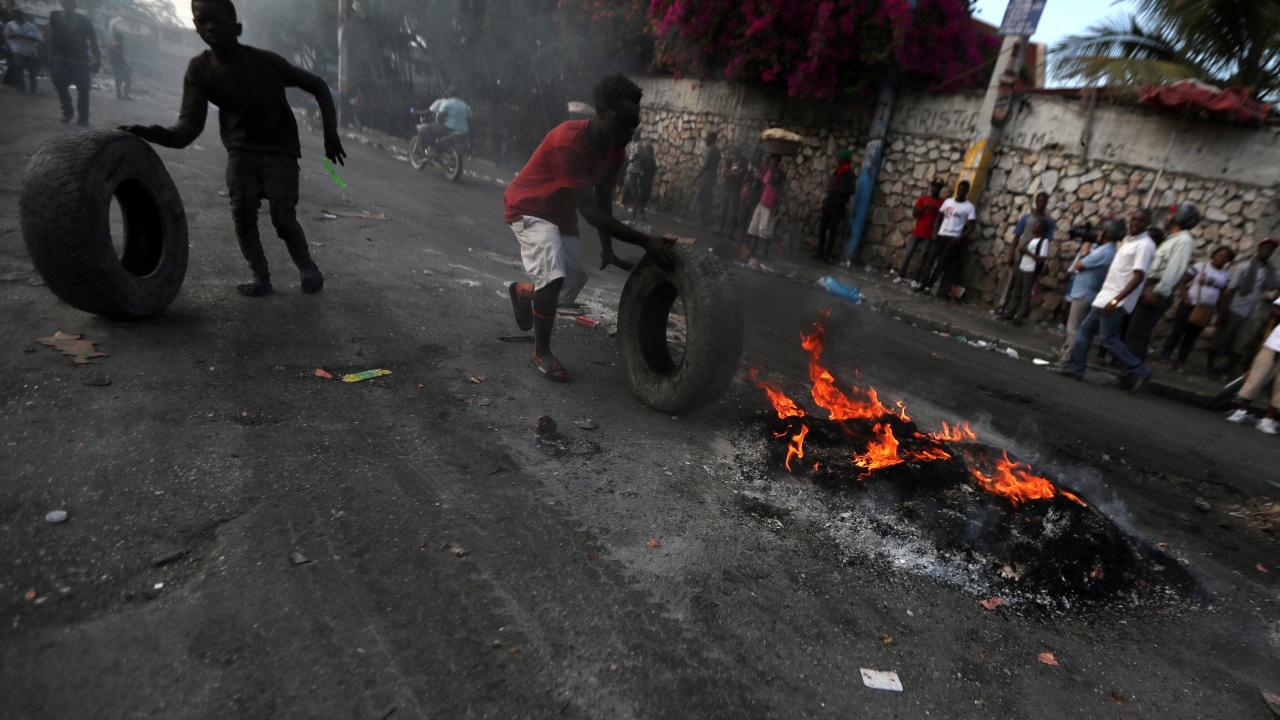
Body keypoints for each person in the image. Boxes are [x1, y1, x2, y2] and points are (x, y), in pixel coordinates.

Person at [120, 0, 344, 297]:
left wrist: (331, 137)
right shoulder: (199, 70)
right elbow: (189, 127)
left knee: (283, 217)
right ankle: (261, 277)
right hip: (240, 152)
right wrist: (157, 134)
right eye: (203, 20)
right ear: (196, 25)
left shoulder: (266, 62)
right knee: (242, 215)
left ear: (236, 28)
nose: (211, 27)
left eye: (219, 21)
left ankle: (307, 267)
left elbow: (318, 85)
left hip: (280, 151)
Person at [503, 74, 675, 383]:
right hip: (529, 207)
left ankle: (523, 292)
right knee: (553, 275)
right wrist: (647, 241)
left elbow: (604, 200)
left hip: (560, 214)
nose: (629, 132)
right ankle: (541, 353)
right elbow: (591, 211)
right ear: (600, 111)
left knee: (571, 282)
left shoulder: (615, 150)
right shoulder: (568, 142)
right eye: (623, 122)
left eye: (634, 125)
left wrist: (608, 249)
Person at [1060, 210, 1157, 391]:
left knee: (1108, 338)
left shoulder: (1144, 245)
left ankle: (1139, 370)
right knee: (1085, 331)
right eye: (1134, 219)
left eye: (1141, 220)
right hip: (1106, 296)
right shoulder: (1130, 241)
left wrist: (1115, 301)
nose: (1136, 223)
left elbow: (1138, 277)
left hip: (1115, 300)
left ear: (1147, 223)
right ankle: (1076, 368)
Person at [1126, 203, 1197, 361]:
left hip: (1156, 290)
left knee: (1135, 335)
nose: (1167, 217)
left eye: (1171, 214)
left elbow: (1175, 269)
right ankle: (1134, 374)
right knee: (1138, 335)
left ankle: (1132, 375)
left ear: (1180, 218)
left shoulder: (1184, 241)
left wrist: (1158, 294)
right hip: (1151, 287)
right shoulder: (1173, 239)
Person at [1208, 237, 1280, 379]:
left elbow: (1274, 286)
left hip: (1250, 313)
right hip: (1234, 309)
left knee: (1241, 344)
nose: (1268, 251)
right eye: (1265, 248)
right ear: (1259, 249)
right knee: (1220, 339)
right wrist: (1224, 312)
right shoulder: (1244, 267)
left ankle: (1228, 372)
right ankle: (1209, 367)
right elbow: (1231, 289)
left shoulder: (1271, 272)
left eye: (1271, 249)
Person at [1057, 219, 1122, 363]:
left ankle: (1066, 360)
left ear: (1106, 233)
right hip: (1088, 292)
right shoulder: (1110, 250)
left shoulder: (1103, 251)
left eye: (1101, 230)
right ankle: (1065, 352)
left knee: (1073, 329)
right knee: (1076, 328)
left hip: (1084, 294)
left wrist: (1086, 244)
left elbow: (1079, 265)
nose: (1098, 233)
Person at [1160, 246, 1234, 370]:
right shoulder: (1201, 267)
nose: (1222, 259)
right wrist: (1186, 298)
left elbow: (1222, 294)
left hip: (1205, 310)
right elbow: (1183, 282)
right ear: (1214, 255)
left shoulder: (1226, 275)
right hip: (1189, 305)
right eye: (1220, 255)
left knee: (1191, 337)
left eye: (1226, 257)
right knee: (1177, 332)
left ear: (1228, 260)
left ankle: (1180, 362)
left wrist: (1220, 313)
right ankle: (1165, 357)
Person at [1225, 297, 1280, 434]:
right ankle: (1241, 411)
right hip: (1274, 345)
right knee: (1256, 378)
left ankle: (1267, 419)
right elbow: (1275, 311)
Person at [920, 179, 976, 298]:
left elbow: (972, 226)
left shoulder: (969, 207)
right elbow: (939, 217)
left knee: (941, 263)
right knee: (930, 259)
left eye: (963, 190)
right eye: (959, 189)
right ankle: (923, 282)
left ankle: (929, 285)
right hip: (941, 235)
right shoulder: (948, 201)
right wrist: (935, 232)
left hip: (952, 238)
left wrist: (959, 238)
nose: (961, 192)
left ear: (967, 192)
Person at [1001, 191, 1057, 309]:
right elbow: (1017, 236)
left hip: (1033, 258)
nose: (1042, 203)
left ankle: (1018, 310)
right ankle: (1003, 306)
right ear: (1036, 201)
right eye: (1040, 200)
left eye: (1044, 201)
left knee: (1026, 287)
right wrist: (1011, 254)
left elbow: (1047, 241)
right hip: (1020, 254)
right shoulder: (1026, 218)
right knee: (1011, 282)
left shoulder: (1048, 222)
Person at [48, 0, 101, 125]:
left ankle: (83, 117)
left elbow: (93, 41)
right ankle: (68, 110)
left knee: (83, 89)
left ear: (75, 6)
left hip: (81, 60)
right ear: (62, 4)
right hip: (61, 58)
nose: (68, 6)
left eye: (71, 4)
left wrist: (98, 59)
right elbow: (53, 36)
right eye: (66, 3)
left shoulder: (84, 20)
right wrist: (51, 55)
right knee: (59, 84)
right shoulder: (55, 16)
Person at [1000, 218, 1051, 325]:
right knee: (1017, 292)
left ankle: (1020, 316)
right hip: (1022, 267)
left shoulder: (1044, 241)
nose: (1033, 228)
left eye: (1035, 226)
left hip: (1030, 269)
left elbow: (1042, 258)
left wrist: (1026, 252)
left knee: (1025, 294)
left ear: (1041, 228)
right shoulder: (1032, 240)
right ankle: (1010, 312)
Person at [897, 177, 944, 287]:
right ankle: (900, 275)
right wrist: (926, 207)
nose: (936, 189)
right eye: (934, 186)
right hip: (918, 231)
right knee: (909, 253)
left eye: (938, 187)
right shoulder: (923, 199)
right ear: (931, 187)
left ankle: (915, 279)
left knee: (922, 257)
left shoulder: (942, 202)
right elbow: (914, 213)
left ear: (940, 189)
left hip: (929, 234)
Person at [816, 148, 856, 263]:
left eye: (839, 157)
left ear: (845, 159)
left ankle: (827, 254)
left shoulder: (850, 174)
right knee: (822, 228)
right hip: (830, 203)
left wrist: (838, 189)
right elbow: (831, 189)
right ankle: (820, 251)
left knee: (833, 232)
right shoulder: (837, 171)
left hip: (838, 206)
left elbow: (852, 190)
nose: (838, 159)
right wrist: (825, 202)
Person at [746, 155, 785, 260]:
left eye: (774, 160)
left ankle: (765, 253)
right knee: (754, 226)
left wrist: (777, 206)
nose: (772, 162)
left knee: (765, 229)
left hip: (769, 204)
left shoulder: (780, 174)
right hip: (761, 202)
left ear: (778, 162)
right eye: (771, 160)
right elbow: (755, 162)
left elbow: (781, 191)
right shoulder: (766, 170)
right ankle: (753, 249)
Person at [425, 86, 472, 153]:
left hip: (448, 128)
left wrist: (441, 122)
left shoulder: (447, 102)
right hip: (464, 130)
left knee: (429, 128)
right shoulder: (465, 105)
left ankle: (433, 149)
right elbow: (470, 118)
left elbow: (439, 118)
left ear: (450, 94)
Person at [5, 8, 42, 93]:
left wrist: (31, 37)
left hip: (30, 50)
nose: (14, 15)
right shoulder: (10, 25)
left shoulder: (31, 26)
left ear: (21, 14)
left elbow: (40, 39)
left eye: (16, 13)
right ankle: (22, 85)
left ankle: (33, 88)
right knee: (18, 66)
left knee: (32, 70)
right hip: (17, 49)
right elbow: (7, 35)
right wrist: (16, 35)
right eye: (13, 14)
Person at [694, 131, 721, 229]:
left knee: (701, 199)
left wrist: (697, 177)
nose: (705, 140)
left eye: (707, 138)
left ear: (712, 139)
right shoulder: (716, 150)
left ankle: (705, 221)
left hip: (707, 178)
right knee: (705, 200)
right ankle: (706, 220)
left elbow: (706, 166)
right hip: (711, 178)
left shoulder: (711, 150)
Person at [719, 146, 745, 238]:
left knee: (732, 212)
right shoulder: (730, 159)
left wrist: (729, 172)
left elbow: (738, 174)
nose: (733, 150)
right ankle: (721, 230)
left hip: (735, 189)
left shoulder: (743, 161)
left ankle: (730, 233)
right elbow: (724, 173)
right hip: (727, 188)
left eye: (735, 149)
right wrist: (733, 173)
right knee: (723, 210)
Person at [635, 142, 657, 220]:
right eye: (648, 152)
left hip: (649, 181)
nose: (649, 154)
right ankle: (642, 213)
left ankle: (636, 210)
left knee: (645, 197)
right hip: (643, 181)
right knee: (643, 197)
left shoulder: (652, 161)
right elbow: (642, 169)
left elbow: (654, 170)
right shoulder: (644, 159)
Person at [108, 29, 132, 100]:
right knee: (128, 80)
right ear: (120, 38)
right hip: (120, 65)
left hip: (115, 64)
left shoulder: (112, 44)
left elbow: (110, 54)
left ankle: (119, 94)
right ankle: (126, 95)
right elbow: (119, 56)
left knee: (118, 81)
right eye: (122, 37)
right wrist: (128, 66)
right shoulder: (118, 45)